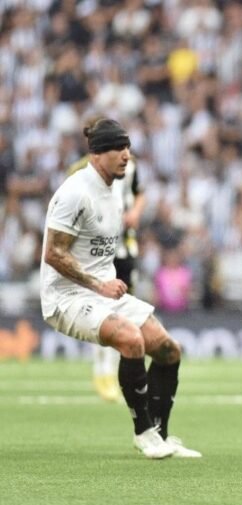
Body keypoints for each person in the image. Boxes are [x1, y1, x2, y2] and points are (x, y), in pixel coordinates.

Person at [40, 117, 201, 459]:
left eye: (128, 147)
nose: (126, 154)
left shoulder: (115, 192)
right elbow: (53, 253)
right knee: (131, 340)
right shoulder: (75, 192)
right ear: (97, 153)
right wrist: (98, 284)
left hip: (103, 291)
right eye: (118, 148)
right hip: (66, 297)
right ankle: (143, 434)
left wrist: (105, 284)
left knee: (169, 350)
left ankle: (160, 435)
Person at [66, 151, 146, 401]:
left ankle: (115, 372)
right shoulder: (81, 170)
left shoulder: (130, 166)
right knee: (101, 309)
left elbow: (139, 193)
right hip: (97, 251)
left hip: (125, 248)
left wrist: (135, 213)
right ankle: (102, 370)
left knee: (124, 309)